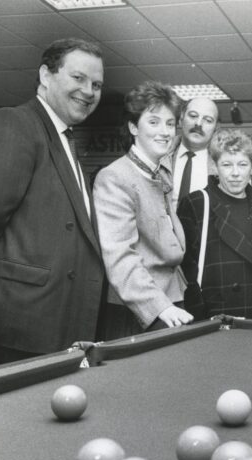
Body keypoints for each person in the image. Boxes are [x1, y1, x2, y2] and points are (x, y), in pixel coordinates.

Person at [0, 38, 106, 365]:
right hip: (23, 320)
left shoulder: (64, 139)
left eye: (96, 84)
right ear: (45, 75)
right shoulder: (15, 124)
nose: (89, 91)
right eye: (78, 78)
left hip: (58, 321)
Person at [93, 81, 193, 339]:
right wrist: (161, 307)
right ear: (133, 127)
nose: (165, 131)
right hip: (137, 309)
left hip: (172, 300)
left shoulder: (162, 171)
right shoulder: (114, 177)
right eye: (154, 122)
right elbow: (119, 256)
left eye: (170, 124)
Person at [178, 129, 252, 320]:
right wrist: (198, 315)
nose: (235, 173)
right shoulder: (196, 203)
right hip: (216, 317)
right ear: (215, 167)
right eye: (226, 165)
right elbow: (184, 270)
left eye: (242, 164)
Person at [170, 97, 219, 211]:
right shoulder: (160, 156)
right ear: (181, 119)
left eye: (208, 120)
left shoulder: (222, 166)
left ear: (215, 129)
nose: (198, 123)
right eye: (193, 116)